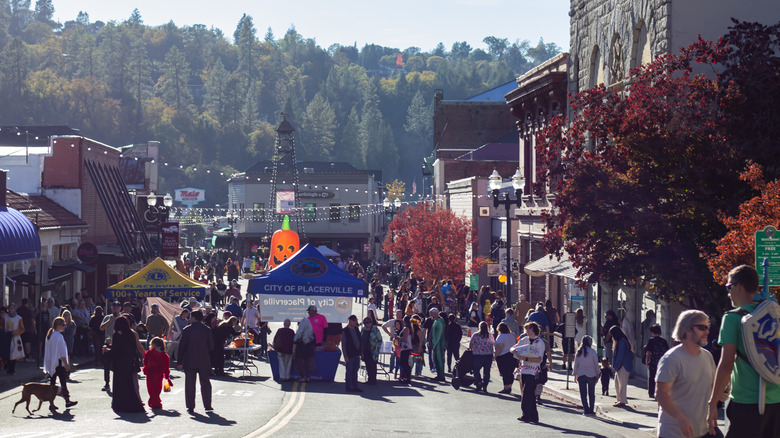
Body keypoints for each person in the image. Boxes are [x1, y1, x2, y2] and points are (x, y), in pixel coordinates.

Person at [708, 265, 780, 437]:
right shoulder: (774, 314)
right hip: (776, 400)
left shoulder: (733, 318)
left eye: (728, 287)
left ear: (738, 286)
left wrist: (712, 403)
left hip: (746, 401)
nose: (728, 292)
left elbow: (726, 364)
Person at [656, 310, 716, 438]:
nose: (707, 332)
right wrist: (680, 418)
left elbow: (711, 387)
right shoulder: (671, 358)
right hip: (673, 433)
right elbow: (661, 394)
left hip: (702, 431)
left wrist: (719, 398)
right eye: (702, 328)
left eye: (707, 327)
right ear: (687, 330)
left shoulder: (707, 357)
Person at [177, 310, 215, 414]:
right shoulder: (207, 329)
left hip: (190, 359)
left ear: (193, 317)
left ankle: (190, 406)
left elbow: (181, 347)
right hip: (204, 359)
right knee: (205, 382)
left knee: (190, 383)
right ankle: (207, 405)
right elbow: (211, 346)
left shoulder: (187, 330)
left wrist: (179, 361)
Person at [108, 315, 146, 413]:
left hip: (119, 363)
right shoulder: (132, 334)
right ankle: (133, 403)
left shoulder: (116, 336)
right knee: (130, 385)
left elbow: (115, 350)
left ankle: (120, 405)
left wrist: (106, 350)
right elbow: (136, 347)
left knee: (119, 385)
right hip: (130, 362)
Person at [512, 321, 544, 423]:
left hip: (533, 371)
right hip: (524, 370)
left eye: (529, 328)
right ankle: (534, 416)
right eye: (526, 328)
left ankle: (525, 415)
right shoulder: (524, 340)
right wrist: (513, 350)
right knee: (529, 394)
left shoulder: (539, 342)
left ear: (534, 330)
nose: (527, 330)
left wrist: (526, 358)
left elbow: (539, 359)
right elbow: (513, 347)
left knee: (527, 393)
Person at [44, 317, 78, 409]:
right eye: (63, 324)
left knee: (52, 384)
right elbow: (61, 353)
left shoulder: (50, 335)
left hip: (52, 363)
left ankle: (51, 403)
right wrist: (66, 364)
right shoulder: (59, 336)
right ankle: (67, 400)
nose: (65, 326)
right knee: (63, 382)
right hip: (59, 363)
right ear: (58, 325)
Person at [143, 337, 172, 410]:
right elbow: (166, 367)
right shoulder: (164, 356)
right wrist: (167, 376)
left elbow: (145, 362)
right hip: (159, 374)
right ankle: (155, 401)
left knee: (150, 388)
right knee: (157, 389)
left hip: (150, 373)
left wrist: (145, 369)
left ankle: (154, 401)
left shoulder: (149, 353)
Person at [573, 335, 599, 415]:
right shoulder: (592, 351)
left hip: (581, 374)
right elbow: (596, 364)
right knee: (591, 393)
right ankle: (591, 409)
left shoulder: (579, 352)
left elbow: (575, 364)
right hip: (591, 374)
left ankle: (586, 409)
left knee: (583, 394)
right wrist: (598, 373)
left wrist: (575, 374)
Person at [642, 323, 669, 399]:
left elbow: (648, 352)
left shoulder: (651, 340)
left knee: (652, 377)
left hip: (653, 361)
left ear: (652, 332)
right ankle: (659, 392)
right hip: (662, 362)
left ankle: (651, 392)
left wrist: (646, 360)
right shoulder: (664, 341)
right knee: (660, 377)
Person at [610, 325, 634, 407]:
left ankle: (622, 400)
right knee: (617, 383)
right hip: (620, 365)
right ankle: (619, 399)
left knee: (622, 384)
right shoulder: (621, 341)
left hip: (623, 365)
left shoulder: (622, 341)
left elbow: (620, 355)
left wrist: (615, 367)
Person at [469, 321, 495, 392]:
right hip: (488, 355)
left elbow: (471, 344)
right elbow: (492, 343)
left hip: (478, 355)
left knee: (476, 369)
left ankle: (479, 381)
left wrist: (472, 349)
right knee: (487, 372)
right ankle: (485, 386)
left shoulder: (476, 335)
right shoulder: (490, 335)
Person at [494, 322, 519, 394]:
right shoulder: (512, 335)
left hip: (503, 356)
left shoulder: (501, 336)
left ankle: (506, 387)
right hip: (512, 355)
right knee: (510, 372)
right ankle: (509, 386)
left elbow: (499, 347)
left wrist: (495, 356)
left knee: (504, 373)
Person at [341, 315, 362, 392]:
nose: (355, 322)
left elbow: (360, 340)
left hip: (357, 353)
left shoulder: (356, 329)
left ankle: (355, 386)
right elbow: (343, 345)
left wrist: (361, 352)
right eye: (353, 321)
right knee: (349, 370)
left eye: (355, 320)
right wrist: (345, 356)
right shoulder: (345, 331)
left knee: (355, 370)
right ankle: (348, 386)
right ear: (349, 320)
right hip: (350, 354)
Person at [4, 303, 25, 375]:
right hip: (6, 337)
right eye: (9, 308)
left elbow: (22, 329)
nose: (10, 310)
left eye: (12, 308)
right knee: (7, 353)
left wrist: (15, 333)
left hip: (15, 337)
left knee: (14, 354)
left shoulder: (18, 318)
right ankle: (8, 367)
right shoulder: (5, 317)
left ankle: (12, 369)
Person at [293, 315, 315, 382]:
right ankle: (308, 377)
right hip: (309, 347)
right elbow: (314, 340)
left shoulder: (300, 331)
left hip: (301, 347)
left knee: (300, 362)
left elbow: (296, 338)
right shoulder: (311, 331)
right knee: (308, 362)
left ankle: (302, 377)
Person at [361, 316, 382, 385]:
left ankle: (373, 379)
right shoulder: (363, 330)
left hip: (373, 350)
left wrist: (377, 348)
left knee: (373, 365)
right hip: (365, 349)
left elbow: (379, 340)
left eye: (370, 322)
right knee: (367, 365)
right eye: (367, 323)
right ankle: (369, 379)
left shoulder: (375, 329)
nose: (368, 324)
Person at [429, 308, 446, 382]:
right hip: (435, 343)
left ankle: (441, 376)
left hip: (439, 344)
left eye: (431, 313)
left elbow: (439, 334)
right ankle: (439, 375)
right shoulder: (436, 320)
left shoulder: (439, 321)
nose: (430, 315)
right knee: (436, 360)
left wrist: (435, 344)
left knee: (439, 360)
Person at [398, 316, 413, 385]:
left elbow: (404, 339)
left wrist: (398, 338)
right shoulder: (409, 328)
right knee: (404, 362)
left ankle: (407, 377)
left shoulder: (405, 329)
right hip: (407, 347)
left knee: (404, 362)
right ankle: (406, 377)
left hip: (405, 347)